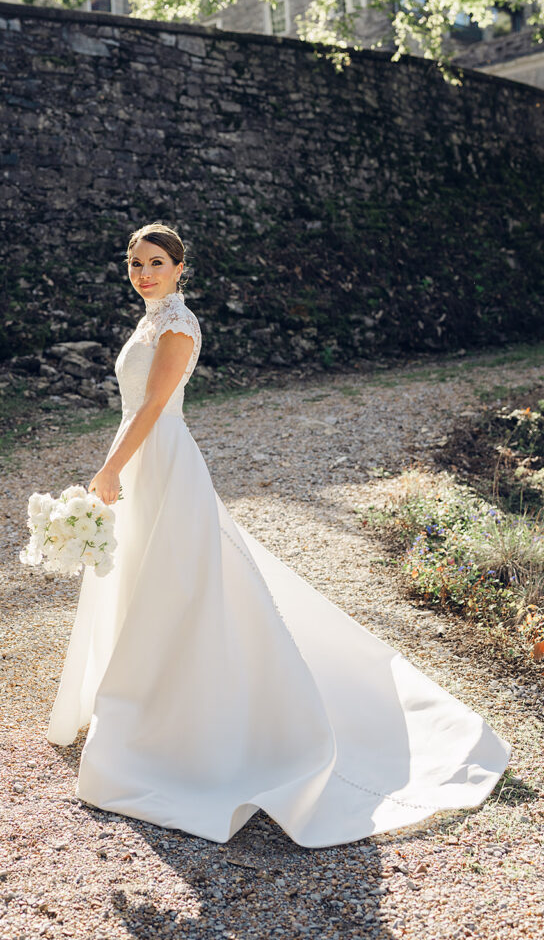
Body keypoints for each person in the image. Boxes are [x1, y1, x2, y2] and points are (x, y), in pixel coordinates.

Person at [46, 222, 510, 847]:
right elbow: (137, 409)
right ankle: (140, 706)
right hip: (142, 458)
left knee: (181, 586)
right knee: (141, 578)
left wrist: (110, 468)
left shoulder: (178, 325)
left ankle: (185, 725)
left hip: (160, 459)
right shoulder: (151, 319)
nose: (144, 272)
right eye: (135, 262)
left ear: (181, 268)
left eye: (156, 262)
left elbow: (154, 407)